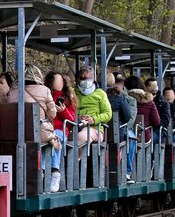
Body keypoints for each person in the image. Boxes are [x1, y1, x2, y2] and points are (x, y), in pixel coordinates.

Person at [7, 64, 62, 192]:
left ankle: (36, 172)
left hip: (16, 131)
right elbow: (52, 114)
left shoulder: (13, 91)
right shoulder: (45, 90)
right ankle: (48, 172)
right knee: (52, 139)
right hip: (40, 131)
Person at [47, 71, 77, 189]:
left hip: (60, 129)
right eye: (56, 80)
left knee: (56, 137)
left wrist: (63, 111)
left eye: (61, 80)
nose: (59, 83)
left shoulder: (68, 97)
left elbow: (72, 120)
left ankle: (55, 171)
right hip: (47, 127)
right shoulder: (47, 94)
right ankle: (43, 171)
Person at [75, 66, 111, 144]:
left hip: (95, 128)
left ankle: (78, 156)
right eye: (83, 78)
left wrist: (93, 119)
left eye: (89, 78)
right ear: (78, 79)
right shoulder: (73, 93)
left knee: (81, 137)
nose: (86, 81)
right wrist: (78, 116)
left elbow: (108, 114)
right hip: (75, 125)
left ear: (93, 78)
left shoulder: (100, 93)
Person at [107, 74, 136, 143]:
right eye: (117, 83)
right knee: (131, 139)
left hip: (121, 128)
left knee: (131, 138)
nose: (119, 86)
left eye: (121, 84)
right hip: (117, 130)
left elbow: (130, 118)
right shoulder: (119, 97)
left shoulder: (130, 99)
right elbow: (128, 116)